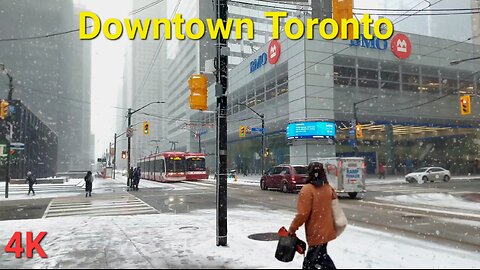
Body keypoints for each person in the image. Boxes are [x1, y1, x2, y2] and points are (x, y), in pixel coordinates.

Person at [288, 162, 337, 269]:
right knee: (321, 258)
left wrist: (292, 229)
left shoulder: (307, 190)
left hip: (315, 233)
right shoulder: (328, 188)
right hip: (326, 231)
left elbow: (302, 214)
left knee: (310, 263)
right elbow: (334, 198)